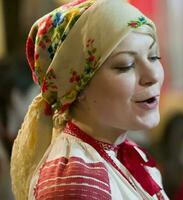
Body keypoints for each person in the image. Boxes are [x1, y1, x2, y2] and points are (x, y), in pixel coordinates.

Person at [10, 0, 168, 199]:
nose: (152, 75)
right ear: (76, 85)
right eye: (125, 65)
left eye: (153, 57)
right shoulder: (78, 181)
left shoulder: (120, 153)